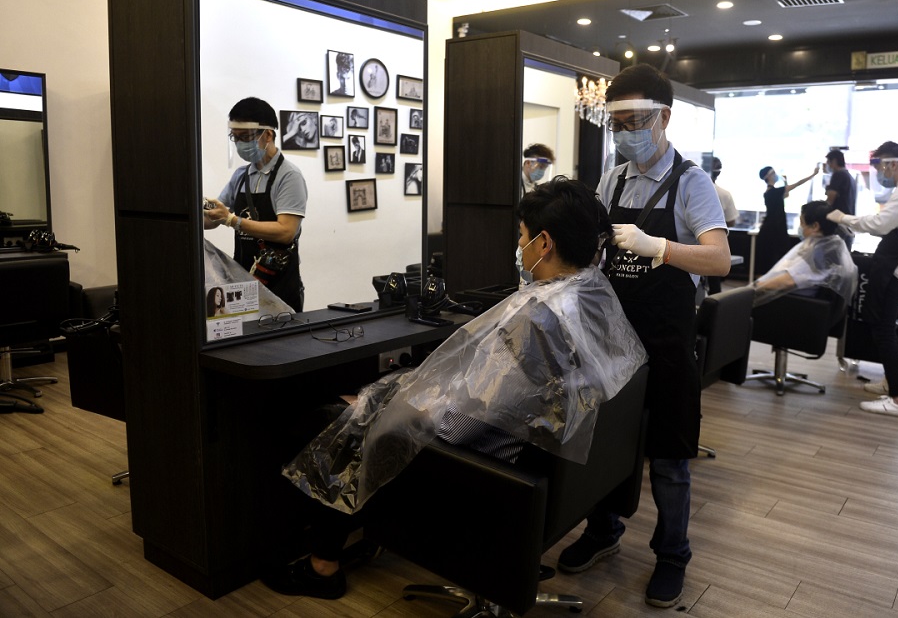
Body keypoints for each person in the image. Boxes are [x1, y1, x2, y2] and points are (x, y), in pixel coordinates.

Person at [264, 178, 647, 600]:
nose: (519, 246)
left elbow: (462, 427)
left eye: (522, 236)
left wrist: (391, 407)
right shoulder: (592, 296)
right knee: (380, 399)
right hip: (546, 467)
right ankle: (368, 530)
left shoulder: (536, 319)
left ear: (544, 243)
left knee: (341, 420)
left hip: (488, 469)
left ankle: (323, 567)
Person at [556, 63, 730, 609]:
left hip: (667, 344)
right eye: (618, 122)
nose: (626, 131)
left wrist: (660, 248)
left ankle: (672, 554)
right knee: (606, 444)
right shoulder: (613, 179)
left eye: (636, 120)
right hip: (611, 343)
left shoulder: (691, 182)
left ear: (664, 118)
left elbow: (720, 260)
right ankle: (603, 529)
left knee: (670, 461)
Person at [825, 141, 898, 418]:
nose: (878, 171)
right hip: (895, 264)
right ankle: (892, 382)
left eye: (879, 165)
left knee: (883, 328)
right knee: (884, 327)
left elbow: (880, 224)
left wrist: (843, 217)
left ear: (892, 164)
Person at [204, 97, 308, 311]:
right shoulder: (241, 176)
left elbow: (286, 232)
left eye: (245, 137)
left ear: (267, 135)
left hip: (278, 283)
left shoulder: (289, 176)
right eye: (235, 137)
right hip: (243, 279)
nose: (240, 144)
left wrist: (232, 220)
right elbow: (214, 218)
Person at [752, 201, 857, 307]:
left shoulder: (818, 253)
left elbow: (787, 282)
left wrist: (754, 287)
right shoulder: (830, 247)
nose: (800, 227)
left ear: (815, 226)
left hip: (794, 305)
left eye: (802, 222)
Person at [756, 165, 820, 276]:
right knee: (774, 257)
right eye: (773, 173)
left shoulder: (771, 192)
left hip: (773, 227)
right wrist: (813, 174)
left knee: (772, 257)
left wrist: (785, 182)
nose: (776, 175)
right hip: (774, 228)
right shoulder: (773, 192)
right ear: (769, 176)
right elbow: (797, 184)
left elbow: (786, 195)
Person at [707, 156, 738, 294]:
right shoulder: (724, 194)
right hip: (715, 244)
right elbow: (731, 221)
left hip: (689, 243)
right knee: (714, 282)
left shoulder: (688, 190)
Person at [822, 149, 857, 249]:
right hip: (847, 223)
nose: (828, 165)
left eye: (828, 162)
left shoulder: (838, 174)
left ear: (834, 161)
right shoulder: (849, 176)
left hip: (838, 223)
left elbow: (831, 199)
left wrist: (821, 213)